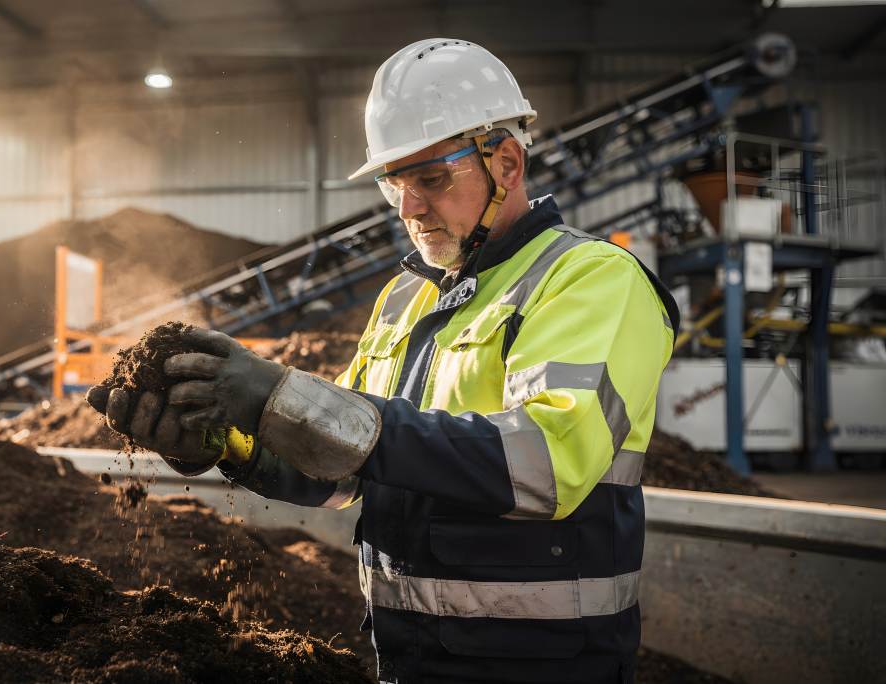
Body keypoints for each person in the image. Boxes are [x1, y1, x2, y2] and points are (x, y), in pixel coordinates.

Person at [88, 38, 680, 684]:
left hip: (546, 668)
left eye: (431, 178)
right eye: (395, 183)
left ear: (507, 162)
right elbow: (337, 469)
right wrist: (228, 440)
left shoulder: (591, 280)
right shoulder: (405, 299)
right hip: (409, 662)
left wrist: (280, 394)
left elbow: (543, 464)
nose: (408, 207)